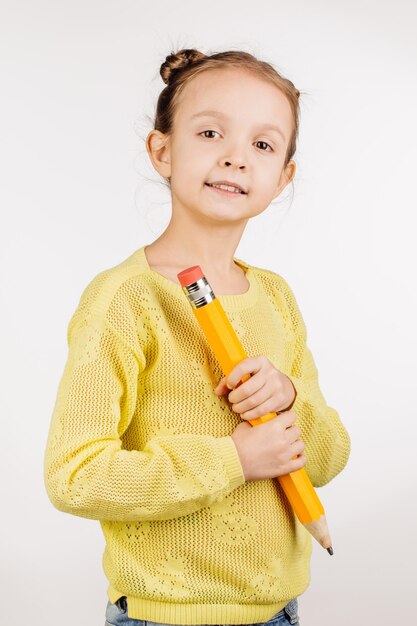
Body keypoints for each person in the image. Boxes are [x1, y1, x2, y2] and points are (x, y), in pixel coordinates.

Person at [44, 48, 351, 626]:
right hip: (164, 616)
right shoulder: (126, 298)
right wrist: (234, 458)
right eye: (211, 132)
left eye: (262, 145)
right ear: (162, 150)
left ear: (284, 174)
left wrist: (288, 401)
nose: (236, 159)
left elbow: (329, 455)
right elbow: (74, 476)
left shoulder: (277, 297)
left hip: (278, 611)